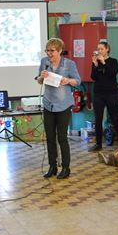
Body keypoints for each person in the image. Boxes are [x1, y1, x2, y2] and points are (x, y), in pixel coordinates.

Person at [37, 38, 81, 179]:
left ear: (60, 51)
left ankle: (66, 168)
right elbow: (39, 80)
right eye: (47, 50)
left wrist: (67, 80)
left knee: (62, 137)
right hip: (48, 103)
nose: (49, 53)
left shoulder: (69, 64)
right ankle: (52, 166)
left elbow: (77, 81)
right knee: (50, 137)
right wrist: (41, 77)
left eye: (52, 51)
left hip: (63, 105)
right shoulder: (44, 62)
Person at [89, 41, 118, 152]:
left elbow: (112, 73)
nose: (99, 51)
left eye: (101, 49)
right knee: (98, 119)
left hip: (111, 93)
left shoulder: (113, 61)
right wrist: (95, 64)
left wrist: (103, 62)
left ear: (107, 49)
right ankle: (98, 143)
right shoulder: (96, 62)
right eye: (98, 49)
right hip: (98, 93)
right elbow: (93, 77)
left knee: (114, 117)